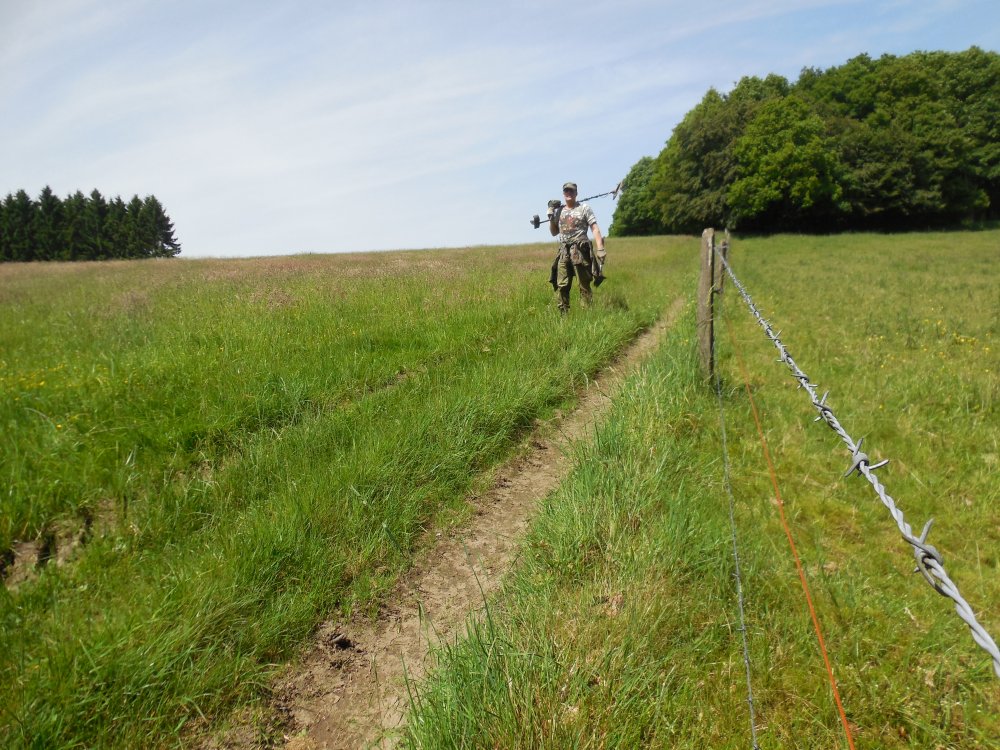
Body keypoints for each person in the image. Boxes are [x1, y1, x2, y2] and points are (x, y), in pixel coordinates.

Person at [548, 182, 607, 314]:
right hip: (564, 251)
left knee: (584, 284)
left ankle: (587, 315)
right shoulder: (559, 211)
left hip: (580, 250)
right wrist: (551, 217)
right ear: (563, 194)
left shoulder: (584, 208)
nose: (568, 193)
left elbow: (595, 228)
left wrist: (600, 248)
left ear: (576, 193)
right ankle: (563, 316)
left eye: (571, 191)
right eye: (566, 191)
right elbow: (554, 232)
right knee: (562, 285)